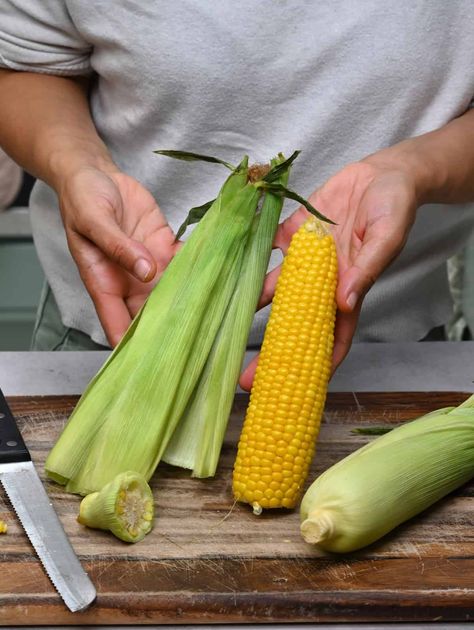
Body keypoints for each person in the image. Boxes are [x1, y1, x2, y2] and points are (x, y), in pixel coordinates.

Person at [0, 2, 473, 387]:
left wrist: (413, 170)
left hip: (396, 358)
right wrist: (79, 165)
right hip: (114, 331)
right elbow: (26, 66)